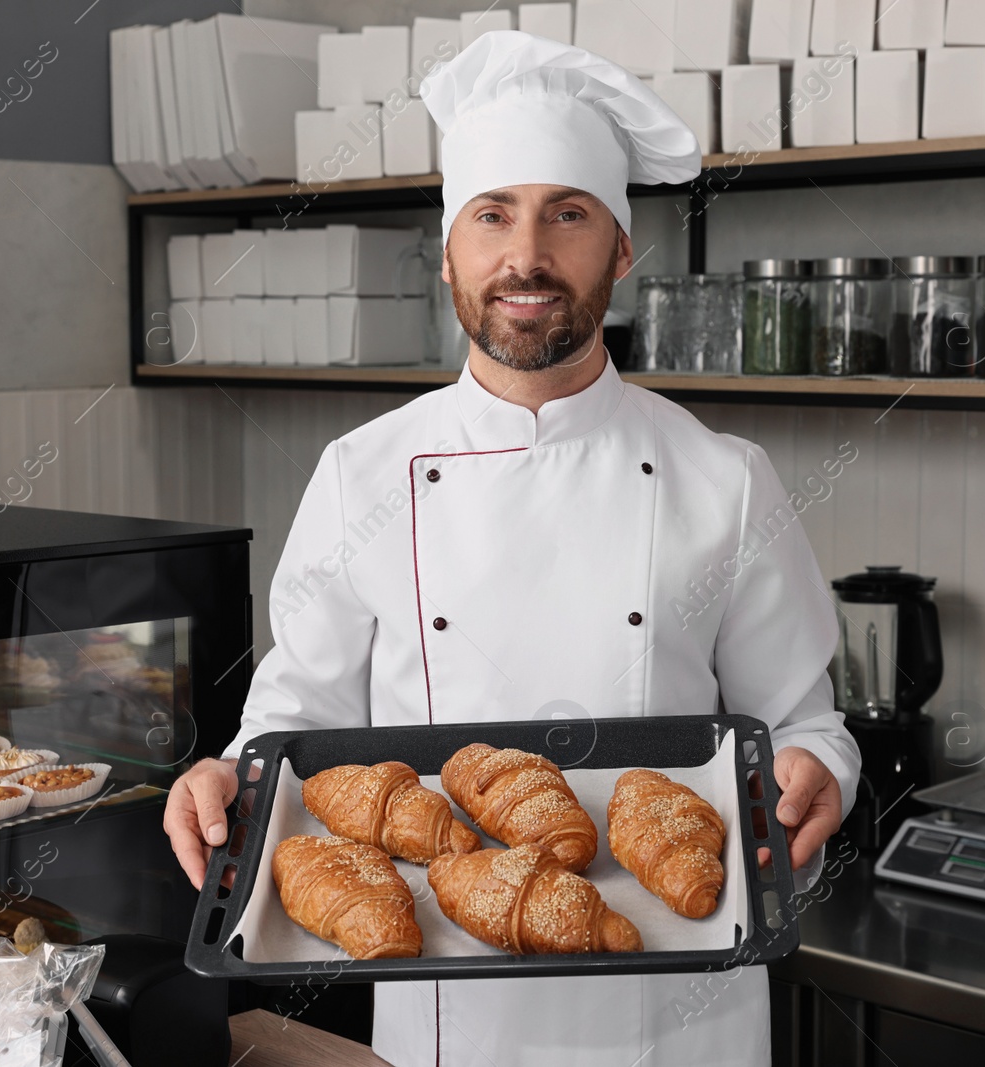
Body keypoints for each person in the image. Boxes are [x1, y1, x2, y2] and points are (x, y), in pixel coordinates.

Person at [163, 30, 860, 1067]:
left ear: (621, 250)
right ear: (449, 251)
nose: (525, 256)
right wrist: (228, 774)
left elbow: (806, 722)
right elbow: (296, 726)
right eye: (492, 216)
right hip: (447, 999)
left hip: (680, 1015)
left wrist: (818, 772)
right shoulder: (363, 473)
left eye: (566, 215)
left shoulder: (725, 476)